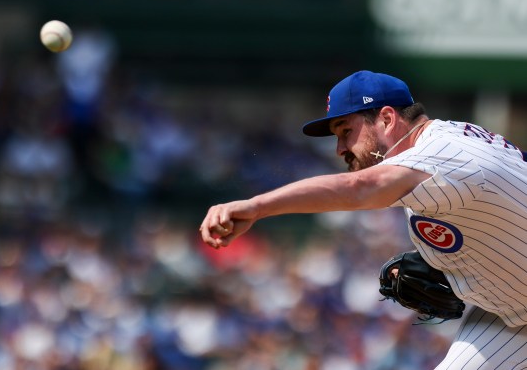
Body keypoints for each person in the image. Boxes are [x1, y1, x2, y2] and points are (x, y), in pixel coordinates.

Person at [199, 70, 527, 369]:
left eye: (346, 131)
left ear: (386, 119)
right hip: (507, 315)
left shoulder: (443, 152)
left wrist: (257, 206)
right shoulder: (439, 149)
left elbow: (358, 189)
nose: (340, 148)